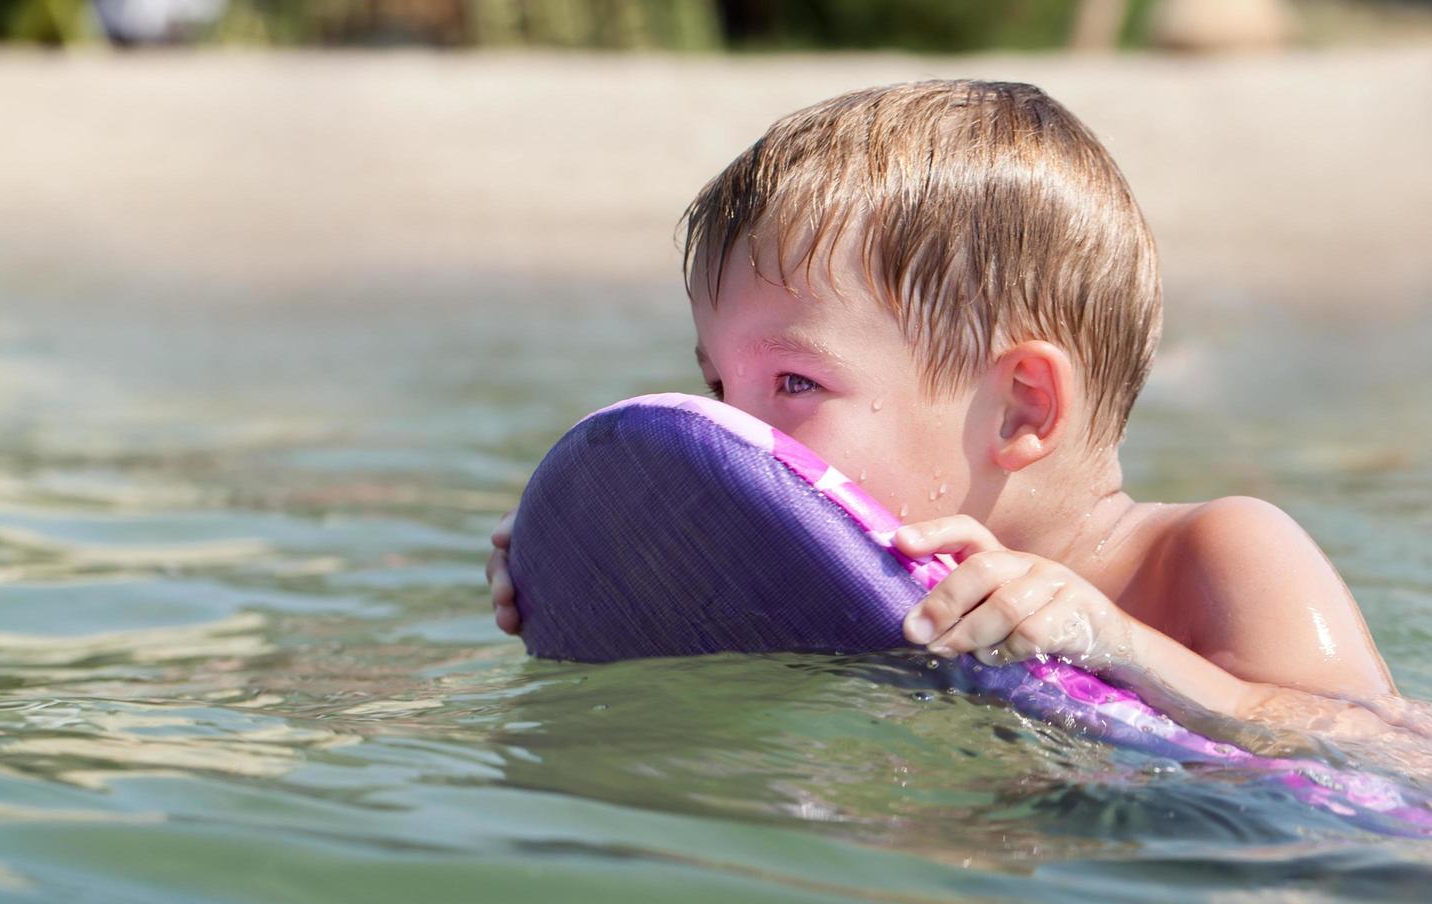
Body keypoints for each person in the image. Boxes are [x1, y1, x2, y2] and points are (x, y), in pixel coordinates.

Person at [486, 80, 1414, 744]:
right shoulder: (867, 592)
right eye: (723, 389)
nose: (745, 437)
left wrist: (1116, 644)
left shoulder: (1215, 552)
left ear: (1019, 408)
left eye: (795, 386)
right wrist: (604, 578)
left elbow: (1375, 748)